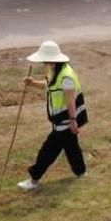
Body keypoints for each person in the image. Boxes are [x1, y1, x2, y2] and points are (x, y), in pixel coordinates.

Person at [17, 41, 88, 191]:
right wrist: (32, 83)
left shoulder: (65, 76)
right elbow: (48, 85)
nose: (43, 62)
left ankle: (34, 179)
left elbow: (70, 101)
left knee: (48, 151)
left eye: (45, 60)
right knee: (71, 147)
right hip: (63, 121)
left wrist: (73, 122)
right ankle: (80, 172)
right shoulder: (54, 70)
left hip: (65, 121)